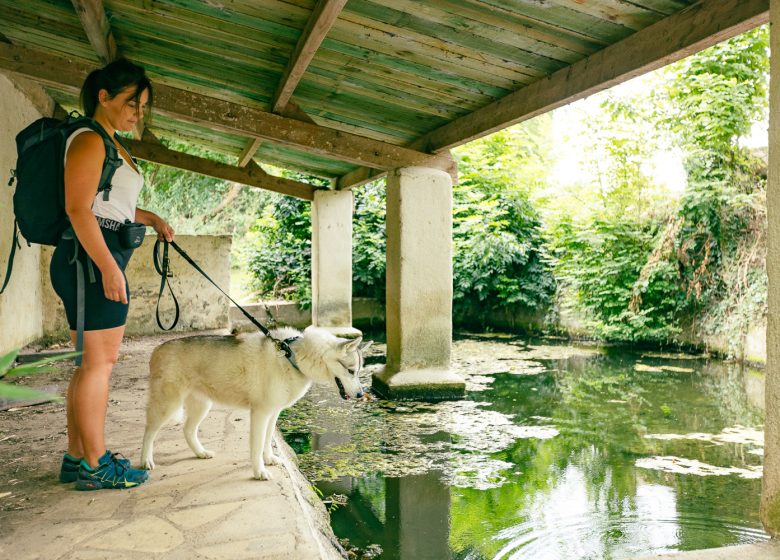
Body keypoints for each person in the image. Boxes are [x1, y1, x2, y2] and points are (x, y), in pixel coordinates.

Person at [50, 59, 174, 490]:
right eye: (131, 103)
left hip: (92, 257)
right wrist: (108, 267)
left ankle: (76, 457)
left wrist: (151, 217)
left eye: (142, 105)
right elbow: (77, 209)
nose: (138, 112)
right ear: (103, 97)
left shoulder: (110, 142)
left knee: (89, 365)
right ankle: (97, 465)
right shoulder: (89, 140)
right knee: (98, 365)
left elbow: (109, 206)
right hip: (88, 260)